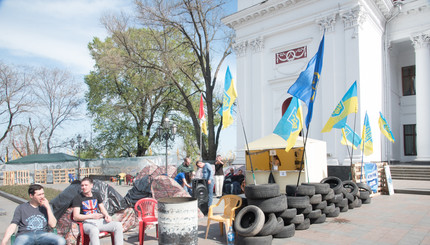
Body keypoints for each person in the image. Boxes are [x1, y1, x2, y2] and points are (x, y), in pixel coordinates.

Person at [1, 184, 66, 245]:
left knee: (61, 241)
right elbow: (13, 225)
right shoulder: (21, 208)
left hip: (43, 234)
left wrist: (48, 207)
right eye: (39, 195)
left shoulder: (46, 207)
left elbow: (53, 224)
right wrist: (4, 241)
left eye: (43, 194)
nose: (42, 197)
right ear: (31, 196)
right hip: (25, 235)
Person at [72, 177, 123, 245]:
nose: (83, 187)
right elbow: (76, 216)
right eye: (82, 185)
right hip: (86, 223)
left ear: (91, 185)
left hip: (99, 221)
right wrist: (91, 216)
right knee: (94, 230)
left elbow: (102, 209)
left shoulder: (96, 194)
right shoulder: (77, 198)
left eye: (86, 185)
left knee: (118, 225)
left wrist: (107, 215)